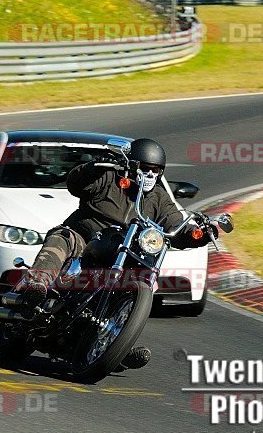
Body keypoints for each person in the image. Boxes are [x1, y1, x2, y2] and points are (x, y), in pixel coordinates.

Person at [19, 138, 217, 369]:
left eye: (156, 170)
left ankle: (116, 342)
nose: (150, 174)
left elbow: (176, 226)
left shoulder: (160, 198)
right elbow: (75, 184)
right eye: (145, 168)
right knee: (61, 238)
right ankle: (37, 284)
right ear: (132, 165)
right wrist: (93, 167)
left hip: (124, 251)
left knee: (135, 279)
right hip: (85, 236)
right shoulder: (108, 178)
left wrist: (199, 234)